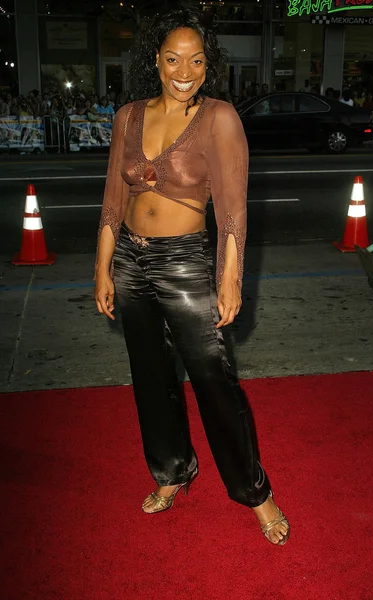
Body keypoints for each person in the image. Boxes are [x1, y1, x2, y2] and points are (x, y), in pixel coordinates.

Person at [94, 7, 290, 546]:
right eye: (174, 59)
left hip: (185, 262)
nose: (185, 72)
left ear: (209, 64)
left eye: (197, 61)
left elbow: (232, 210)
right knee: (151, 378)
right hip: (130, 261)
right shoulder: (129, 116)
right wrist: (103, 268)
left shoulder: (218, 117)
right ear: (155, 61)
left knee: (213, 380)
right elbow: (112, 200)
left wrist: (230, 280)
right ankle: (172, 470)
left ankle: (255, 492)